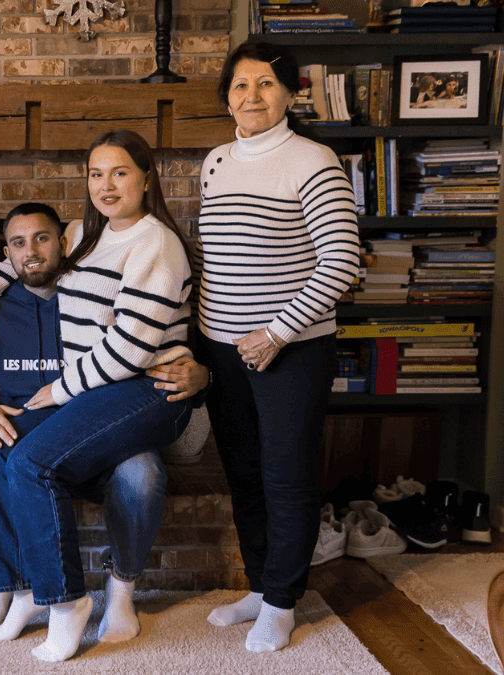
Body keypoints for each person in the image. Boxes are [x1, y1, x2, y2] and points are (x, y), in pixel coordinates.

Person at [0, 130, 196, 662]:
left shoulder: (155, 243)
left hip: (149, 389)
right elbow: (26, 255)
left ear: (146, 178)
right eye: (96, 174)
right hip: (98, 390)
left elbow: (131, 350)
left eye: (120, 173)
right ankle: (22, 588)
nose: (106, 185)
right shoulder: (85, 233)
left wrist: (59, 390)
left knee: (32, 463)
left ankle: (66, 603)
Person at [196, 40, 359, 653]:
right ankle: (262, 585)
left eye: (265, 83)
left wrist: (276, 333)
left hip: (290, 350)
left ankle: (284, 601)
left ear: (289, 93)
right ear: (227, 98)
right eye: (240, 85)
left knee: (286, 477)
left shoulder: (314, 160)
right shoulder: (215, 162)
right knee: (244, 474)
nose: (252, 96)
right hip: (222, 349)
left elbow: (341, 261)